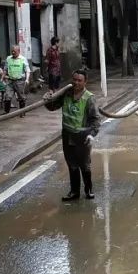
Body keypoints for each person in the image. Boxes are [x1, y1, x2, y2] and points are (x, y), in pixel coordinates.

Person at [44, 69, 101, 201]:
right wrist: (48, 99)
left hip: (83, 137)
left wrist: (92, 134)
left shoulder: (89, 98)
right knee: (72, 164)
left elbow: (96, 119)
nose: (76, 82)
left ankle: (89, 190)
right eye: (74, 79)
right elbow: (53, 106)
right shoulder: (66, 94)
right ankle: (74, 192)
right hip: (67, 134)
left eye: (79, 80)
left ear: (85, 82)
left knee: (84, 164)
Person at [5, 45, 28, 110]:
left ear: (19, 51)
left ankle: (22, 112)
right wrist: (2, 77)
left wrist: (27, 79)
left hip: (20, 81)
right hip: (10, 81)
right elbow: (5, 69)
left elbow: (27, 70)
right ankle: (6, 112)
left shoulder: (23, 59)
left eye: (14, 51)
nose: (13, 53)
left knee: (21, 97)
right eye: (12, 51)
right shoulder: (8, 58)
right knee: (7, 96)